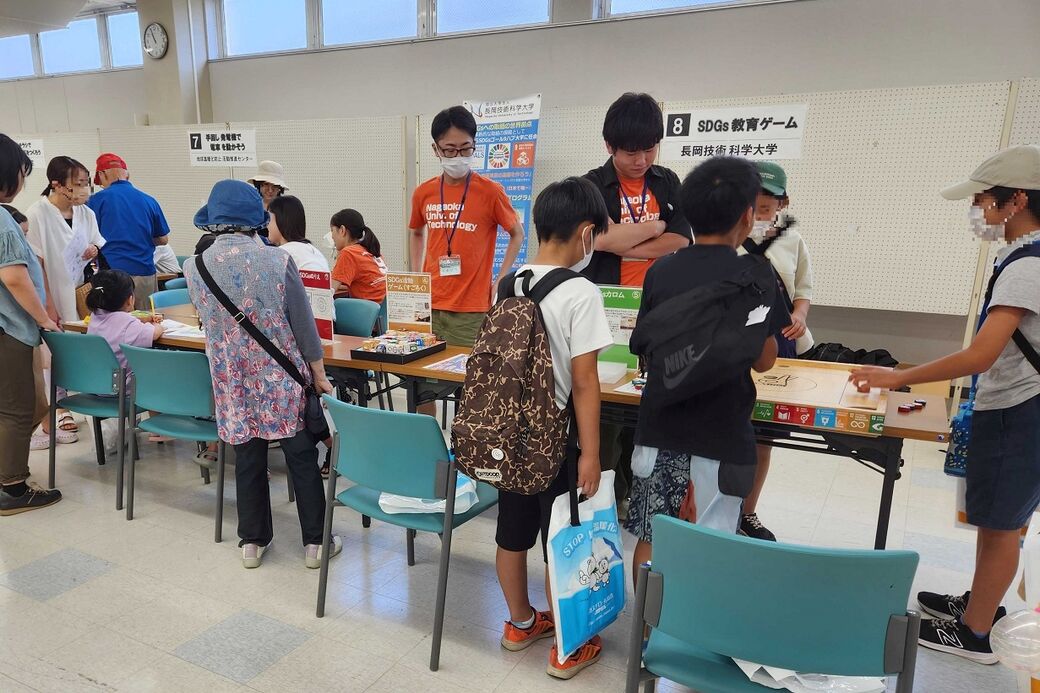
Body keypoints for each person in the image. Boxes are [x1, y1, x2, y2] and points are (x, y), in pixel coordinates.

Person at [851, 145, 1040, 665]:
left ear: (1016, 199)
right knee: (996, 517)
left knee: (1002, 525)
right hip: (1017, 406)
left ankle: (976, 634)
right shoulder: (1024, 254)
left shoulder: (1028, 265)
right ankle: (981, 605)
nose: (978, 211)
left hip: (1020, 410)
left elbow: (981, 355)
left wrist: (901, 377)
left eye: (983, 200)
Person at [626, 157, 788, 582]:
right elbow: (765, 358)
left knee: (652, 533)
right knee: (713, 540)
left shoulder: (661, 270)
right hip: (722, 432)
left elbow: (649, 344)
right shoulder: (757, 274)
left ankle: (647, 633)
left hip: (660, 427)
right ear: (747, 216)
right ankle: (697, 632)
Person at [184, 179, 342, 570]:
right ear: (257, 217)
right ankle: (315, 544)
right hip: (281, 377)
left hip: (231, 381)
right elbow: (303, 324)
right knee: (301, 456)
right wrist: (318, 372)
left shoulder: (194, 266)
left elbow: (207, 320)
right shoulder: (278, 260)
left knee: (248, 457)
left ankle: (252, 541)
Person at [494, 177, 613, 680]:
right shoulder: (580, 291)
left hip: (510, 432)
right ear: (586, 233)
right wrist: (591, 453)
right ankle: (567, 649)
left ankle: (521, 622)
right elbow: (585, 382)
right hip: (556, 439)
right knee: (560, 537)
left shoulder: (510, 281)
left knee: (512, 532)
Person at [583, 92, 692, 513]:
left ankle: (635, 491)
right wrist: (656, 226)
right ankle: (603, 493)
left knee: (647, 404)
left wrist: (626, 243)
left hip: (660, 310)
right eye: (631, 151)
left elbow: (682, 239)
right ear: (609, 146)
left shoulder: (667, 182)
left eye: (650, 148)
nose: (641, 159)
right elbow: (598, 240)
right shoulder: (592, 185)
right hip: (607, 308)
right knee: (607, 406)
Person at [735, 161, 816, 541]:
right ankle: (719, 511)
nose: (758, 213)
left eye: (766, 206)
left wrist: (799, 315)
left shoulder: (792, 239)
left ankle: (747, 512)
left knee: (764, 434)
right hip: (736, 344)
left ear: (783, 203)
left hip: (780, 342)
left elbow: (803, 290)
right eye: (752, 204)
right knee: (729, 427)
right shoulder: (729, 235)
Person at [408, 105, 524, 348]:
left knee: (468, 378)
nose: (458, 156)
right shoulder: (424, 192)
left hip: (471, 306)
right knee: (424, 378)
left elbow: (516, 234)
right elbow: (416, 231)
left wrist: (501, 279)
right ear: (435, 150)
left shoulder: (490, 191)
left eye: (465, 148)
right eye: (450, 150)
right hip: (430, 302)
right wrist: (417, 275)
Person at [26, 156, 108, 449]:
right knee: (54, 353)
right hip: (52, 293)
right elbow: (36, 262)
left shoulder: (85, 212)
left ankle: (86, 397)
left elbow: (98, 241)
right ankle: (58, 410)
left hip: (81, 291)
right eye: (78, 184)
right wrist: (46, 303)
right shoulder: (38, 213)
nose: (83, 190)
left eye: (86, 183)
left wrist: (92, 249)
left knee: (83, 346)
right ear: (57, 184)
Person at [0, 133, 63, 516]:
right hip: (10, 330)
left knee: (10, 407)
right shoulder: (3, 221)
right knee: (19, 409)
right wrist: (43, 319)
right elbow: (14, 278)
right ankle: (12, 487)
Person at [85, 269, 166, 451]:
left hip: (98, 386)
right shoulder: (128, 323)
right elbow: (154, 334)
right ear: (130, 299)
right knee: (152, 373)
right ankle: (159, 428)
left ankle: (157, 428)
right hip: (124, 389)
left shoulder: (95, 319)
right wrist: (157, 324)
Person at [88, 153, 171, 310]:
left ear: (102, 174)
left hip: (112, 277)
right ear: (127, 174)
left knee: (115, 325)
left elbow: (88, 237)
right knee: (146, 324)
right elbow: (163, 239)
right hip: (145, 272)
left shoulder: (96, 201)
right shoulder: (149, 200)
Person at [329, 208, 388, 303]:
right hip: (383, 310)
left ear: (342, 230)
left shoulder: (349, 253)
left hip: (368, 314)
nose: (332, 236)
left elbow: (330, 290)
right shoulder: (371, 249)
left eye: (332, 230)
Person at [268, 195, 329, 272]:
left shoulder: (280, 254)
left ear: (281, 220)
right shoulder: (316, 253)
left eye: (269, 218)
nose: (267, 224)